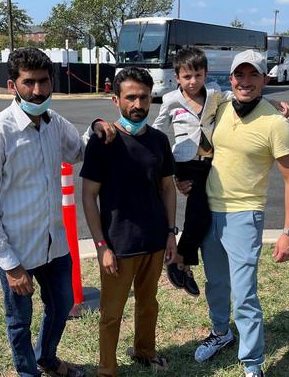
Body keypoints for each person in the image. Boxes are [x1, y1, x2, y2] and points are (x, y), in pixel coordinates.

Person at [186, 49, 289, 377]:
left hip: (245, 215)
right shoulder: (220, 105)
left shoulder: (275, 124)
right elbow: (182, 94)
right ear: (231, 77)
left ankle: (252, 364)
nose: (246, 82)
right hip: (210, 210)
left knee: (245, 294)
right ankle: (221, 332)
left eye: (254, 75)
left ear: (266, 79)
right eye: (240, 74)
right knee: (217, 283)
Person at [0, 47, 86, 377]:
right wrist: (10, 265)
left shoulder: (55, 124)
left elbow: (78, 149)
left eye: (43, 81)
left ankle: (47, 358)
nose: (38, 91)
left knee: (62, 305)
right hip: (18, 250)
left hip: (55, 246)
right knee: (19, 322)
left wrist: (97, 127)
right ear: (12, 85)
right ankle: (28, 373)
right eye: (29, 82)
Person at [152, 47, 289, 298]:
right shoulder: (171, 99)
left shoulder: (215, 95)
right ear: (177, 77)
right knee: (198, 211)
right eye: (187, 77)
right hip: (184, 162)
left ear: (205, 74)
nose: (192, 81)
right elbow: (158, 129)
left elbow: (245, 96)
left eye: (198, 75)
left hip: (207, 162)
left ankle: (183, 263)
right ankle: (180, 260)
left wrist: (273, 103)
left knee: (201, 215)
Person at [81, 66, 179, 377]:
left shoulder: (160, 141)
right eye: (131, 98)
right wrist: (101, 246)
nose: (138, 105)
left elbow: (167, 188)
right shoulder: (103, 141)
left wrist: (170, 234)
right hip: (118, 247)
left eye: (144, 98)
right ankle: (107, 369)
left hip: (153, 241)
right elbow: (88, 197)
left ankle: (144, 351)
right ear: (116, 100)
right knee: (111, 314)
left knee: (148, 305)